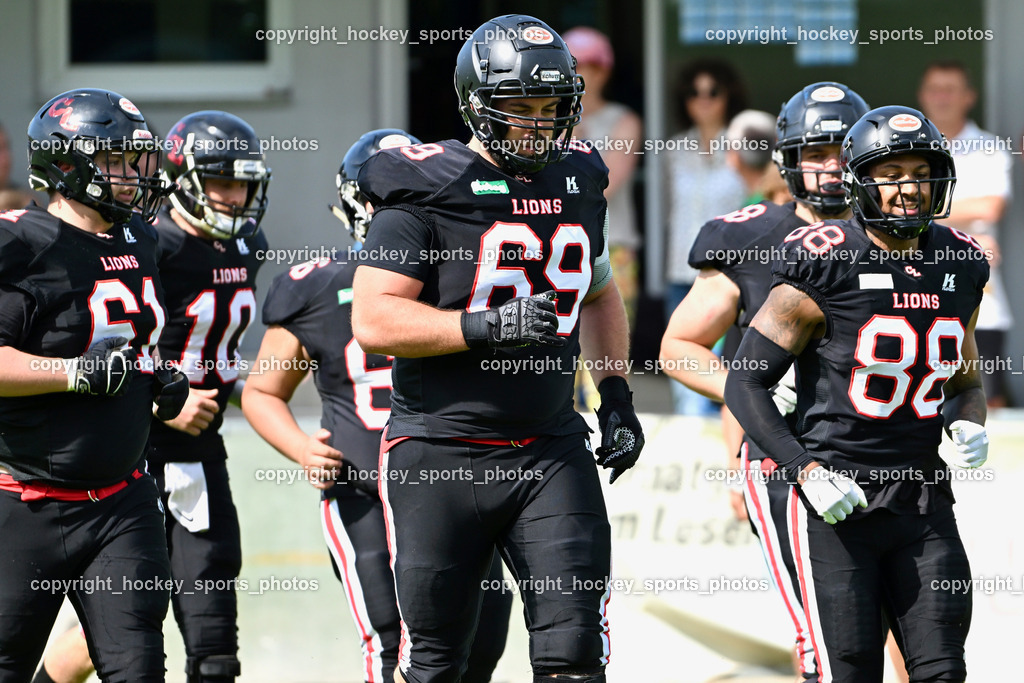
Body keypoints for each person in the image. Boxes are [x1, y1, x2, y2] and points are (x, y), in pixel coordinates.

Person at [350, 15, 644, 683]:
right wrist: (481, 327)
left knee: (575, 657)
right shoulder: (424, 184)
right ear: (478, 107)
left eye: (550, 109)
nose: (538, 125)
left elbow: (597, 291)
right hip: (440, 450)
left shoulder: (578, 177)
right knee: (436, 664)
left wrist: (617, 394)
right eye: (519, 109)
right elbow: (374, 317)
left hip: (549, 446)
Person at [724, 105, 989, 682]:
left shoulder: (962, 260)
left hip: (922, 497)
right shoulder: (826, 257)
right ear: (860, 183)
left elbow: (965, 377)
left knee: (942, 668)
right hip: (836, 495)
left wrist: (970, 419)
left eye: (920, 172)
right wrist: (805, 470)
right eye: (891, 175)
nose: (908, 189)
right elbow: (744, 382)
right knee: (848, 669)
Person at [242, 128, 512, 683]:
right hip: (363, 490)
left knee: (481, 638)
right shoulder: (313, 287)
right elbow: (263, 390)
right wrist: (298, 446)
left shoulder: (463, 267)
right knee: (392, 642)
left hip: (453, 483)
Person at [661, 82, 869, 682]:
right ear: (789, 159)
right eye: (816, 152)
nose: (830, 168)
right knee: (833, 638)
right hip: (790, 462)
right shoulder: (748, 238)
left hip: (883, 456)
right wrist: (752, 401)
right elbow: (680, 347)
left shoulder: (895, 235)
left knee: (908, 631)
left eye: (841, 151)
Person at [0, 87, 186, 682]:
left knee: (138, 668)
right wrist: (73, 373)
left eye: (134, 159)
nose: (131, 175)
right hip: (24, 504)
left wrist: (156, 376)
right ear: (64, 164)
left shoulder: (140, 237)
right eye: (112, 160)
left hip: (123, 503)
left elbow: (127, 340)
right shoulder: (22, 244)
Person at [148, 110, 271, 683]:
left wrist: (245, 387)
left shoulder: (249, 245)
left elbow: (212, 347)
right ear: (184, 177)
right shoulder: (153, 246)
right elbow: (101, 348)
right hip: (130, 451)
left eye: (242, 182)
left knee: (216, 645)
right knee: (120, 632)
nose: (233, 196)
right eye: (220, 180)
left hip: (201, 449)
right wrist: (160, 399)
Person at [918, 60, 1013, 407]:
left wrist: (918, 211)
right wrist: (966, 235)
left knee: (986, 403)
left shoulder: (991, 147)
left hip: (984, 303)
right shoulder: (908, 150)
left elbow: (989, 208)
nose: (941, 97)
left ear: (968, 96)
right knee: (920, 402)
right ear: (922, 96)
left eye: (950, 89)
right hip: (916, 295)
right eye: (934, 89)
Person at [663, 58, 748, 415]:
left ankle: (727, 463)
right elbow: (668, 211)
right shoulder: (673, 149)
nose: (703, 100)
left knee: (731, 376)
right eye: (693, 93)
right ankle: (694, 463)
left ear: (728, 96)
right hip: (681, 273)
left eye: (712, 92)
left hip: (732, 277)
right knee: (688, 379)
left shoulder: (747, 145)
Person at [562, 26, 642, 330]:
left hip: (612, 246)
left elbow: (603, 187)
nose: (579, 73)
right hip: (556, 243)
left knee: (607, 349)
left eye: (587, 65)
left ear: (603, 71)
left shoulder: (624, 121)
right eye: (572, 64)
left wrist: (572, 139)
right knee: (560, 350)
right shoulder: (544, 119)